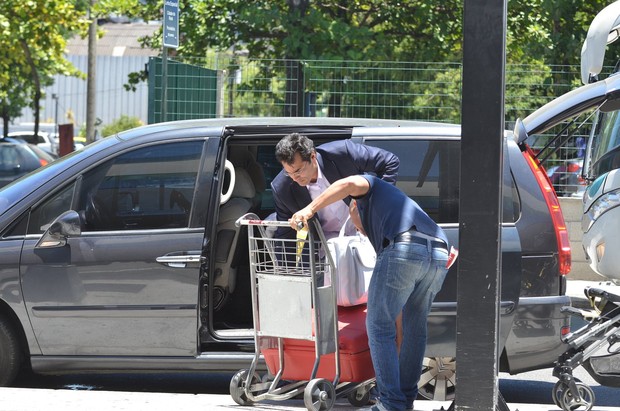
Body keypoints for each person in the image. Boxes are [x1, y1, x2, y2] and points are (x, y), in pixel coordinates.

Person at [290, 174, 450, 411]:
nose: (360, 231)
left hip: (405, 246)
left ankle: (390, 403)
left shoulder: (370, 189)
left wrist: (309, 209)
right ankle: (403, 401)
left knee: (377, 326)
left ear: (355, 204)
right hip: (439, 251)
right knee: (413, 328)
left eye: (356, 225)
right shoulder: (393, 209)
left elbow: (346, 184)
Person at [272, 132, 399, 239]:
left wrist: (374, 206)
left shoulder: (342, 153)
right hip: (325, 252)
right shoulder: (282, 187)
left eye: (298, 171)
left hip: (365, 236)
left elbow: (390, 162)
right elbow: (285, 234)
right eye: (289, 173)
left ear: (312, 155)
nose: (295, 178)